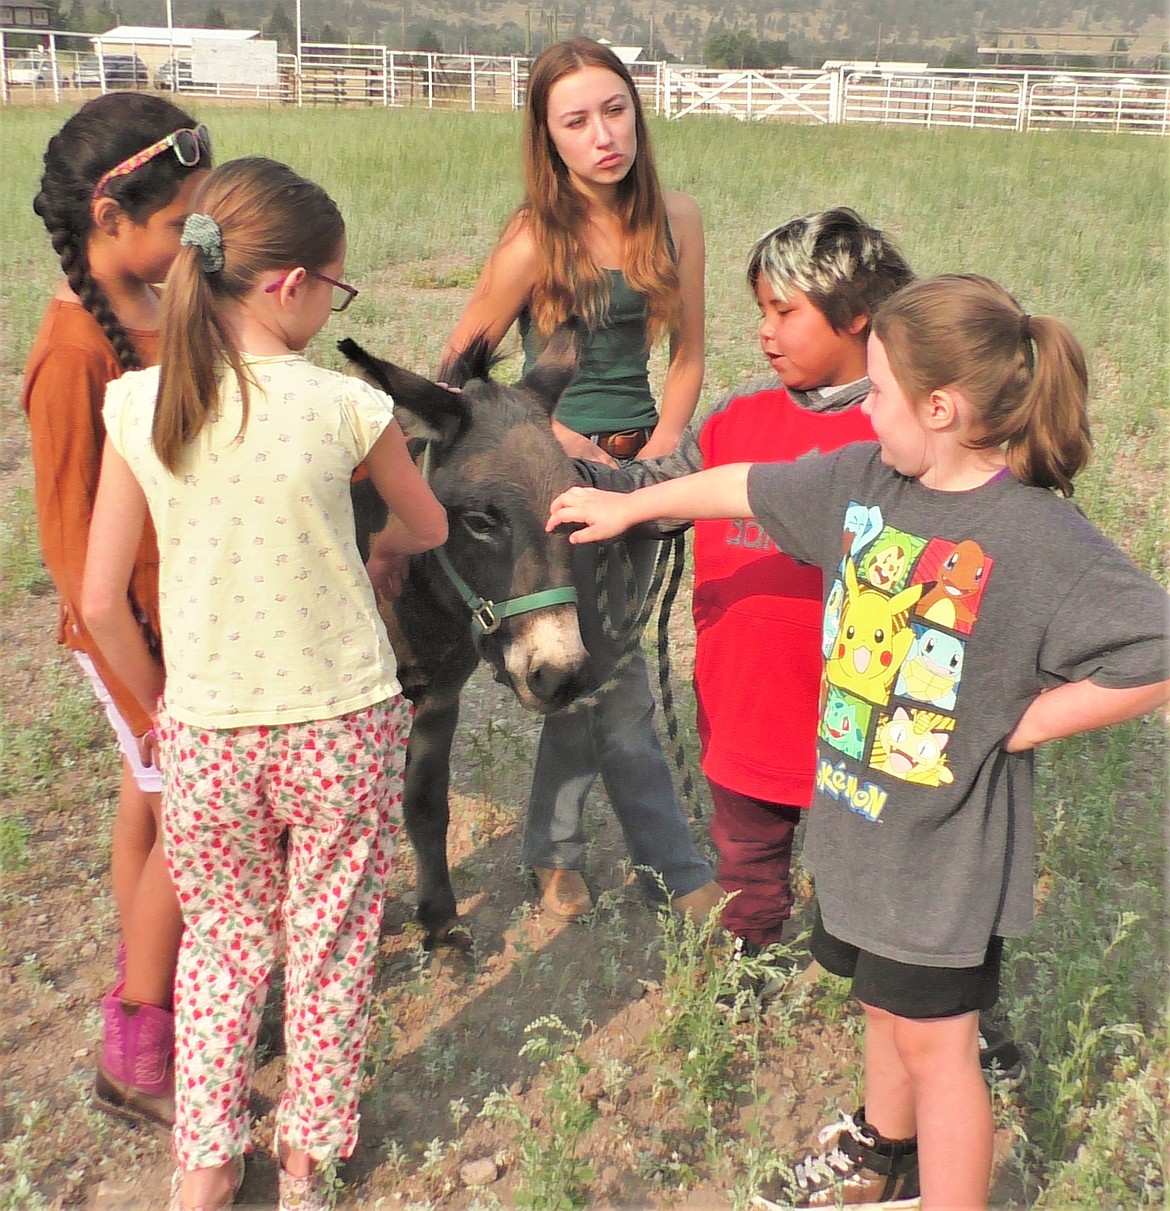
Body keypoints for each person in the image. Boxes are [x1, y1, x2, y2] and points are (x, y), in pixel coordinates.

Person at [547, 273, 1170, 1209]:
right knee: (884, 1009)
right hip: (864, 825)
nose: (860, 409)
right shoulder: (865, 479)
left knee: (942, 1048)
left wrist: (1029, 720)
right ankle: (882, 1152)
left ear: (942, 406)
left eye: (875, 393)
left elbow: (1156, 648)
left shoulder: (1034, 536)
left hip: (942, 855)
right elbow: (744, 486)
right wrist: (631, 508)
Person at [81, 157, 447, 1211]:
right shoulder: (345, 402)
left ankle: (203, 1166)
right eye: (335, 286)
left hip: (207, 729)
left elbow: (105, 600)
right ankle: (308, 1160)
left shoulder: (138, 403)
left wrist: (163, 709)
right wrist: (377, 543)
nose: (332, 303)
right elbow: (424, 523)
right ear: (288, 283)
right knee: (330, 947)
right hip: (341, 720)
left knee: (223, 950)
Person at [441, 37, 721, 921]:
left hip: (643, 471)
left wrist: (657, 459)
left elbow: (689, 353)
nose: (603, 135)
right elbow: (463, 372)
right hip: (560, 479)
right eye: (576, 120)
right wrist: (556, 448)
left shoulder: (679, 218)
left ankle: (550, 846)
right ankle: (678, 872)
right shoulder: (532, 240)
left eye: (614, 109)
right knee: (614, 669)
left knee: (599, 659)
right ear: (547, 136)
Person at [22, 91, 213, 1130]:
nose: (196, 241)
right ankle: (140, 1040)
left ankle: (167, 978)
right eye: (181, 223)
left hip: (180, 623)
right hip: (132, 639)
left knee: (153, 806)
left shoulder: (156, 307)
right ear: (109, 219)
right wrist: (142, 686)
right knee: (188, 816)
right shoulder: (74, 351)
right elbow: (67, 546)